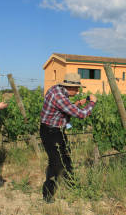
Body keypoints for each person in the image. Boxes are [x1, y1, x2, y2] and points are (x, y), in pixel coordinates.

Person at [40, 73, 97, 203]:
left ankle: (72, 184)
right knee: (55, 163)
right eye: (77, 89)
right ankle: (47, 195)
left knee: (66, 157)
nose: (77, 92)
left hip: (56, 130)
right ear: (70, 87)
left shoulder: (56, 90)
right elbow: (82, 114)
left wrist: (75, 104)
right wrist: (92, 103)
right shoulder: (59, 96)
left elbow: (62, 109)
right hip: (50, 132)